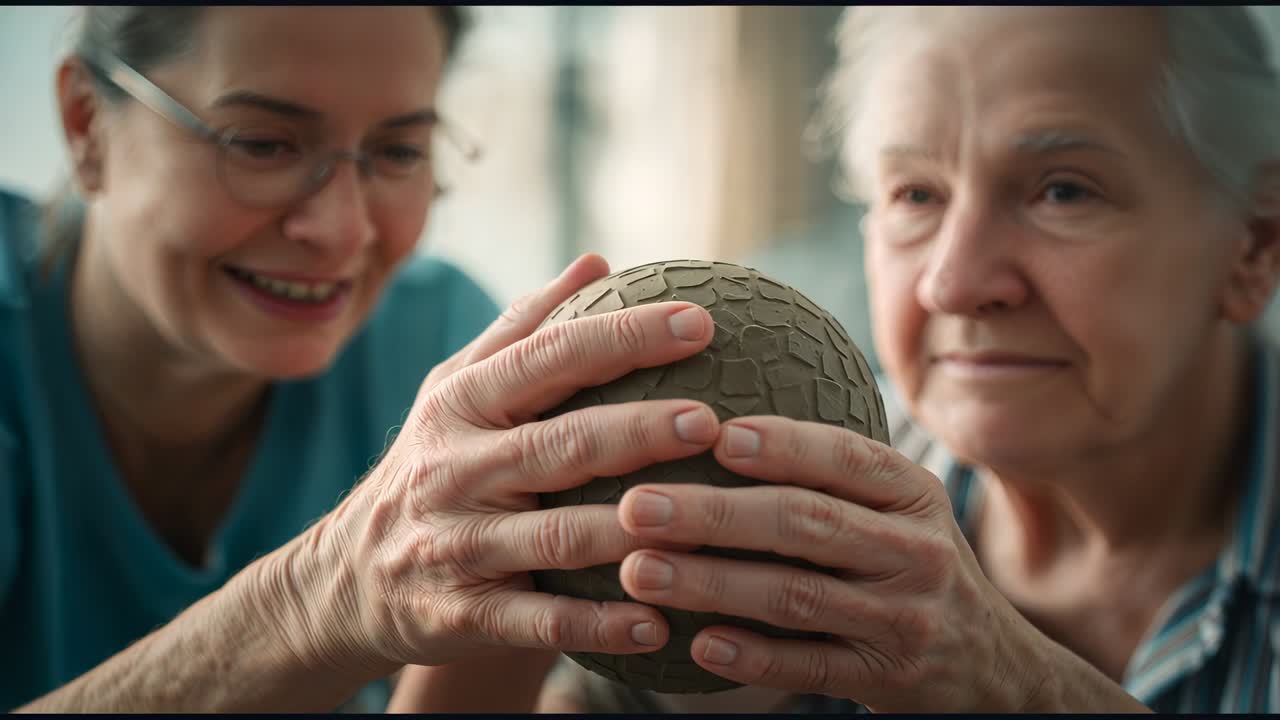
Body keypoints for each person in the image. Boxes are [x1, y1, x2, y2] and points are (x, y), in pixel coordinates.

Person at [398, 5, 1280, 713]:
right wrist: (503, 554)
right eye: (915, 194)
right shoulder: (763, 496)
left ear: (1255, 245)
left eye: (1063, 191)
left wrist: (1026, 686)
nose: (954, 281)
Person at [1, 6, 734, 712]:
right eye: (262, 143)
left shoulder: (441, 338)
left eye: (397, 152)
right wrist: (322, 599)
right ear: (87, 123)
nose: (342, 229)